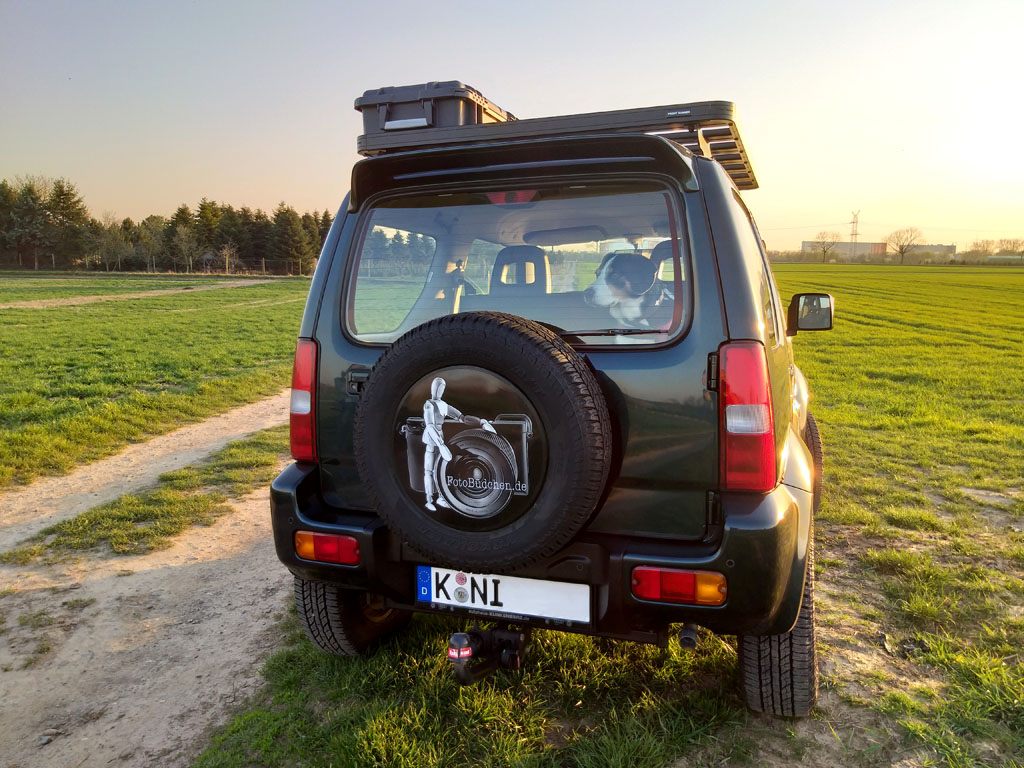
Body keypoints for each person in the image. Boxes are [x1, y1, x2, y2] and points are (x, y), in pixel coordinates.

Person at [421, 377, 495, 511]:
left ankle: (441, 497)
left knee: (441, 469)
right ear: (433, 388)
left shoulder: (443, 405)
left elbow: (462, 418)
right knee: (429, 470)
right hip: (432, 439)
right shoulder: (428, 404)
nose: (440, 390)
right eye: (438, 387)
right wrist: (441, 444)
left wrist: (481, 422)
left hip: (440, 436)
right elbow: (430, 425)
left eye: (442, 388)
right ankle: (429, 500)